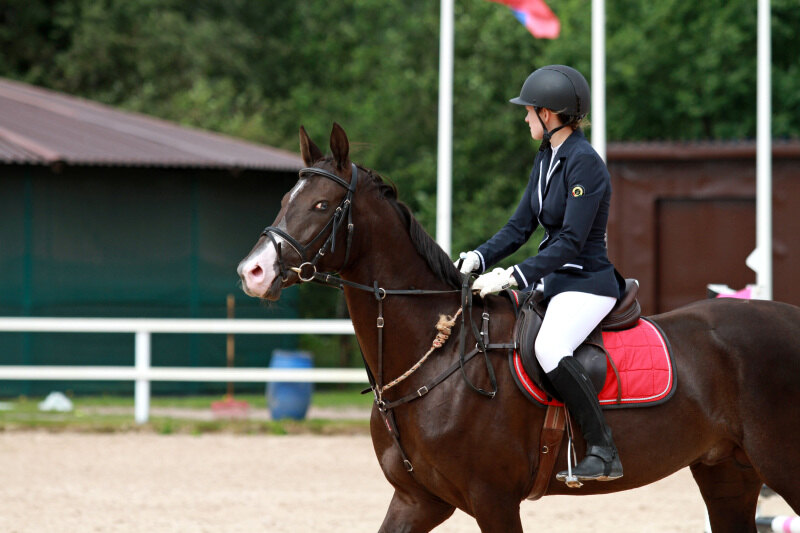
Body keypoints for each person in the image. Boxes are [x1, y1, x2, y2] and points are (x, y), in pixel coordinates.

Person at [455, 65, 623, 482]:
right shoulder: (547, 158)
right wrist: (478, 257)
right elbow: (519, 227)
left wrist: (514, 275)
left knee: (549, 347)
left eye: (528, 112)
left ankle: (603, 450)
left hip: (587, 282)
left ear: (548, 114)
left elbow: (570, 241)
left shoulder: (586, 164)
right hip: (555, 282)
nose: (525, 119)